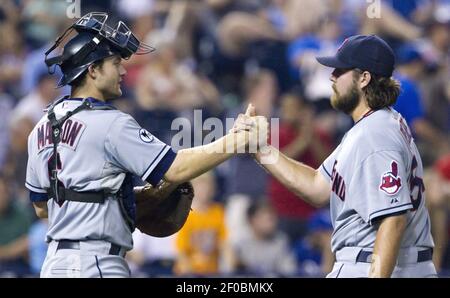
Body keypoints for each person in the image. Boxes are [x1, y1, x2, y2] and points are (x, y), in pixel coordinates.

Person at [25, 12, 266, 278]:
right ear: (92, 70)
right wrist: (236, 140)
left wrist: (109, 197)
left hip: (54, 265)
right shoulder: (110, 123)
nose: (123, 71)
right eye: (115, 63)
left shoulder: (41, 128)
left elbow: (41, 207)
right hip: (98, 263)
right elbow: (175, 170)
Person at [250, 35, 436, 278]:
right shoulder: (376, 125)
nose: (332, 76)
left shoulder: (374, 134)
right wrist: (260, 149)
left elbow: (393, 220)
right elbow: (318, 186)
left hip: (376, 265)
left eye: (341, 70)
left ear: (364, 78)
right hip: (386, 263)